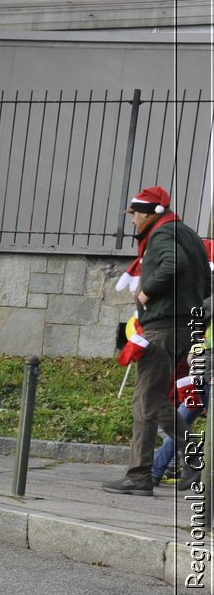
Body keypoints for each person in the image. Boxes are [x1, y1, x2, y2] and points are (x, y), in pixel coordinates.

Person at [103, 186, 210, 496]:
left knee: (144, 402)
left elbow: (172, 263)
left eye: (135, 215)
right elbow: (207, 282)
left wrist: (146, 292)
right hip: (183, 327)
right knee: (159, 400)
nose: (134, 221)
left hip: (161, 326)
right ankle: (195, 460)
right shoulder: (188, 233)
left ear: (150, 214)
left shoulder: (163, 235)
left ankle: (138, 477)